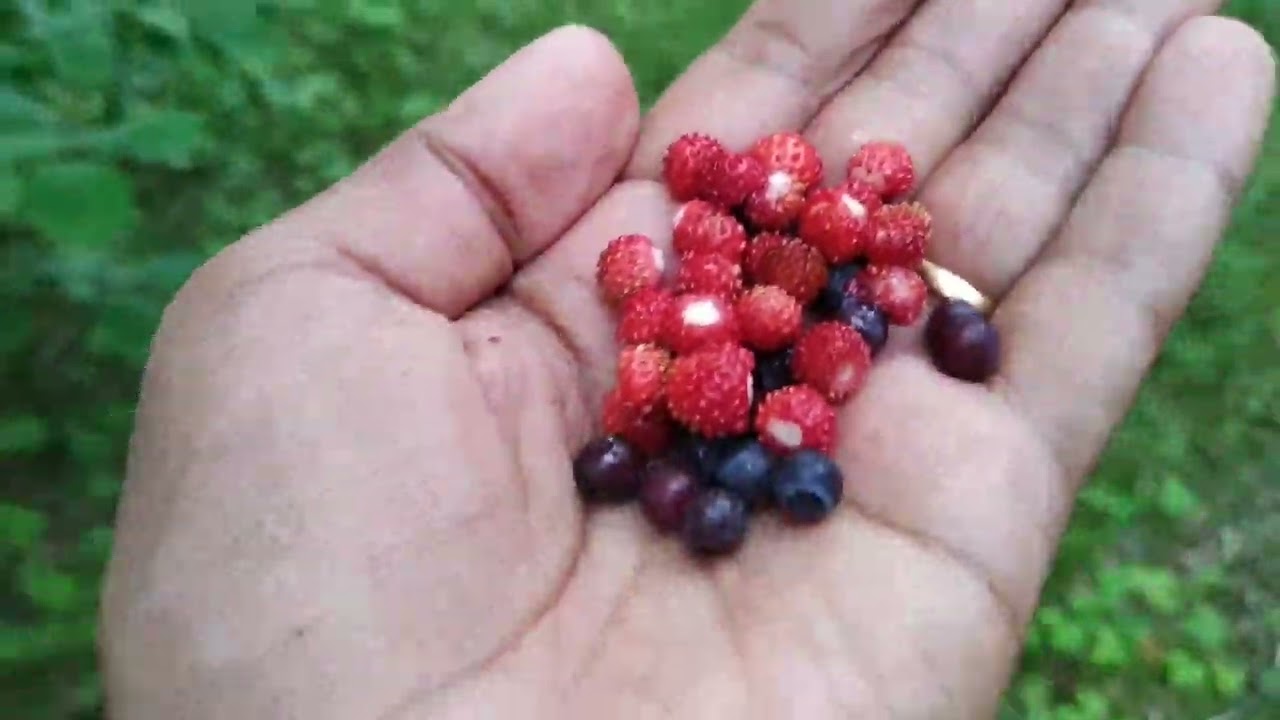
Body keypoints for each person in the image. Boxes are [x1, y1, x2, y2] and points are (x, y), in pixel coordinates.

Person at [98, 1, 1275, 717]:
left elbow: (790, 328)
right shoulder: (688, 361)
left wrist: (795, 310)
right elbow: (710, 348)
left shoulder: (795, 313)